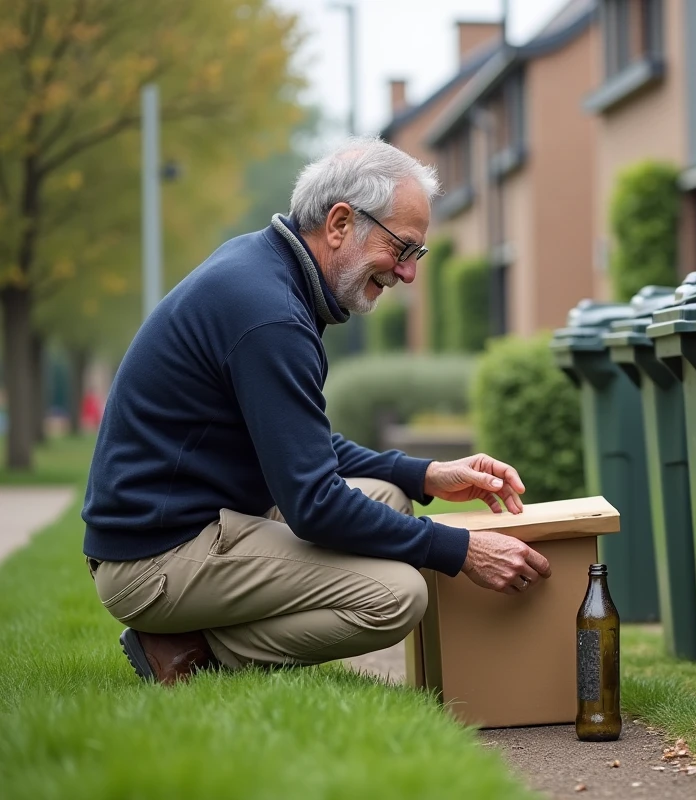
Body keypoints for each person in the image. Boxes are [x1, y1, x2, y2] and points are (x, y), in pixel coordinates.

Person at [81, 137, 551, 686]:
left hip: (202, 519)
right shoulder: (270, 315)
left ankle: (198, 636)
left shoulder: (265, 270)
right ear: (340, 223)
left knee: (391, 499)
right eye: (403, 249)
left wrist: (424, 474)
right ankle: (191, 650)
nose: (407, 274)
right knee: (398, 596)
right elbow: (314, 505)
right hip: (155, 557)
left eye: (416, 255)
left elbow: (302, 444)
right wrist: (462, 549)